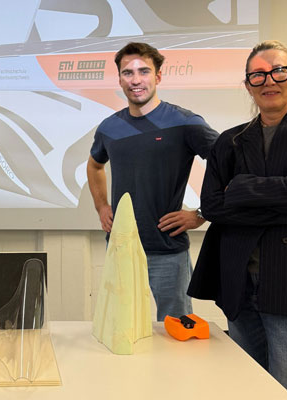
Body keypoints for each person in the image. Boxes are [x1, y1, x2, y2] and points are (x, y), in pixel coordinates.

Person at [189, 40, 287, 400]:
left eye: (278, 71)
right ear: (247, 85)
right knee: (246, 390)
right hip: (239, 282)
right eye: (257, 74)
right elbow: (212, 206)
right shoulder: (230, 141)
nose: (269, 80)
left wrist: (240, 188)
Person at [87, 42, 218, 321]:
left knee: (175, 328)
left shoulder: (185, 122)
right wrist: (101, 206)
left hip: (167, 250)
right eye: (128, 73)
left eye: (144, 71)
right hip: (121, 247)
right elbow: (95, 165)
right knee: (122, 328)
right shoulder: (109, 127)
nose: (136, 80)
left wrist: (202, 214)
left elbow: (228, 165)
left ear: (158, 76)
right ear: (119, 79)